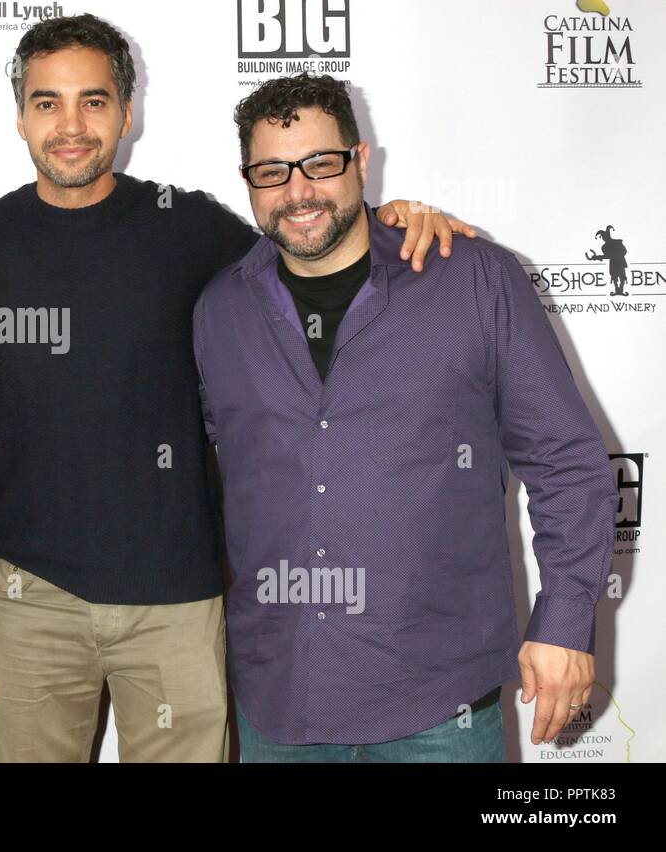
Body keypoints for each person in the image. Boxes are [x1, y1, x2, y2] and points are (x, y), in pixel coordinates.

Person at [0, 13, 469, 762]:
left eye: (94, 100)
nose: (71, 124)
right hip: (30, 595)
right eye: (48, 103)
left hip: (177, 595)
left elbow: (310, 246)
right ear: (20, 117)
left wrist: (392, 221)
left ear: (127, 111)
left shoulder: (186, 226)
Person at [193, 72, 616, 761]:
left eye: (320, 164)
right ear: (247, 180)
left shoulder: (473, 279)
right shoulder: (220, 311)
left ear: (362, 162)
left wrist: (566, 623)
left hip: (436, 702)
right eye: (272, 172)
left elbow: (566, 460)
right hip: (280, 703)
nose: (298, 192)